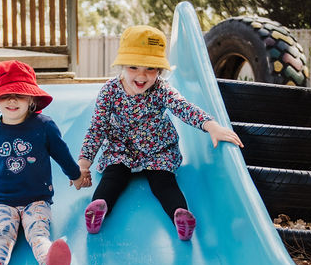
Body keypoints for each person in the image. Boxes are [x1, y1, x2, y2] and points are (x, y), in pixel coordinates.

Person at [77, 25, 243, 240]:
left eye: (150, 69)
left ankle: (179, 214)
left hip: (158, 150)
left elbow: (182, 107)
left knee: (163, 181)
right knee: (113, 176)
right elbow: (97, 126)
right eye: (133, 67)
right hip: (122, 148)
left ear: (160, 71)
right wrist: (83, 164)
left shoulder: (162, 89)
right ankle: (99, 208)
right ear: (122, 66)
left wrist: (210, 125)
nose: (141, 75)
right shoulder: (109, 91)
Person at [0, 60, 92, 265]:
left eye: (19, 95)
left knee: (38, 233)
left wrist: (76, 176)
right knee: (2, 234)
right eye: (5, 96)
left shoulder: (44, 126)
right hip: (1, 201)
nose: (12, 101)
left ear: (31, 99)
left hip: (37, 199)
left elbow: (61, 153)